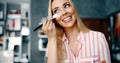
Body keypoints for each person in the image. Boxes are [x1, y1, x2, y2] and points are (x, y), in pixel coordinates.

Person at [42, 0, 111, 63]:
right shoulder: (52, 45)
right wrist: (52, 40)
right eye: (56, 11)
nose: (64, 13)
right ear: (54, 20)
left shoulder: (98, 38)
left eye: (66, 6)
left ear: (74, 9)